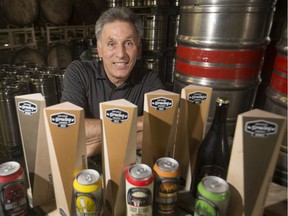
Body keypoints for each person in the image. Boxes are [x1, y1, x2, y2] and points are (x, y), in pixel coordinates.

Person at [61, 7, 165, 157]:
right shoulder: (79, 72)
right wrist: (137, 124)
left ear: (138, 49)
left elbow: (164, 126)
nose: (121, 54)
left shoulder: (149, 79)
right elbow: (68, 129)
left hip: (128, 167)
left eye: (128, 43)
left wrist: (96, 145)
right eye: (111, 44)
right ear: (99, 49)